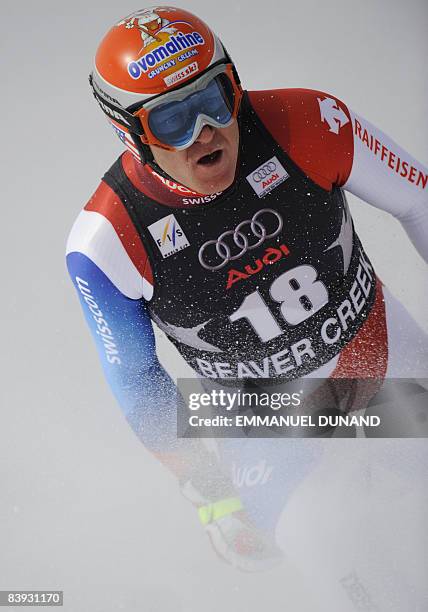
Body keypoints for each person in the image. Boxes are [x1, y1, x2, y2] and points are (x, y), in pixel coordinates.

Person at [66, 6, 428, 577]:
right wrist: (206, 489)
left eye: (214, 98)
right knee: (341, 558)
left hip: (383, 361)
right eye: (172, 120)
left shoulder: (311, 120)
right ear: (129, 133)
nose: (204, 133)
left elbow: (419, 199)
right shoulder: (106, 239)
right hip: (262, 421)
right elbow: (137, 381)